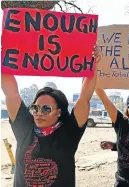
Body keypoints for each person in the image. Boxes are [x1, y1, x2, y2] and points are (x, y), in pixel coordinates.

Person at [1, 45, 102, 187]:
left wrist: (93, 65)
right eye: (35, 108)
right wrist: (4, 55)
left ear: (59, 112)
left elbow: (84, 98)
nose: (39, 113)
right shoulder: (25, 128)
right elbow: (11, 93)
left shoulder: (69, 132)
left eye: (46, 109)